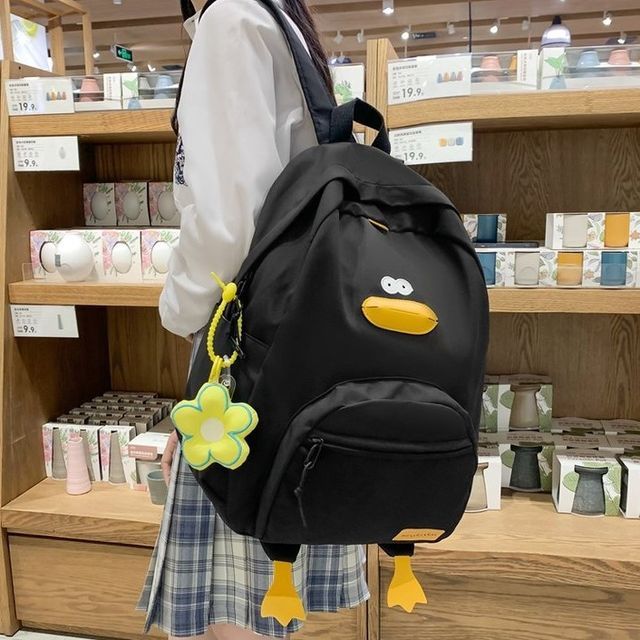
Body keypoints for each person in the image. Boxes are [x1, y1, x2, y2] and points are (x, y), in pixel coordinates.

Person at [137, 0, 369, 638]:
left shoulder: (231, 20)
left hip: (247, 357)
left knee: (235, 611)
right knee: (267, 604)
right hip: (298, 350)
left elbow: (226, 230)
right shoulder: (279, 19)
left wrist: (176, 311)